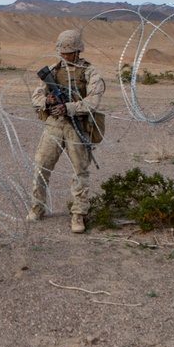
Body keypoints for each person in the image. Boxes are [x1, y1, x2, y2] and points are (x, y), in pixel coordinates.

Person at [26, 29, 105, 233]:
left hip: (77, 126)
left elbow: (93, 101)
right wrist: (48, 101)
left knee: (80, 171)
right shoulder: (52, 71)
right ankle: (37, 207)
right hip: (54, 124)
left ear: (78, 51)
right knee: (41, 166)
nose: (65, 55)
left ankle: (78, 214)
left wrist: (69, 107)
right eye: (62, 52)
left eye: (69, 52)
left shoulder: (90, 72)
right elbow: (36, 97)